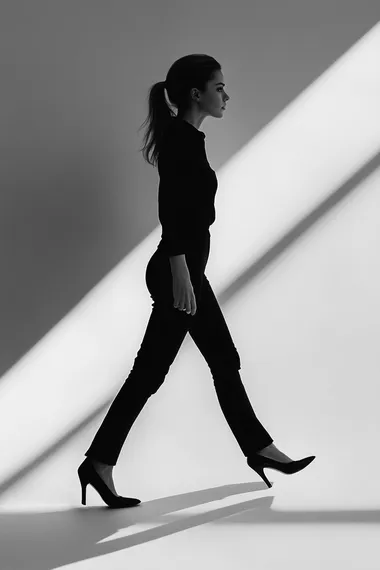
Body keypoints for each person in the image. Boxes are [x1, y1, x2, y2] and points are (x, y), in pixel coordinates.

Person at [77, 54, 315, 508]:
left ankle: (256, 449)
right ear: (196, 93)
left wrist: (185, 269)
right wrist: (181, 271)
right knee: (160, 371)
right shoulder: (181, 141)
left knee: (211, 361)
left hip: (184, 270)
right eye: (219, 87)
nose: (226, 95)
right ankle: (102, 461)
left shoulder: (188, 139)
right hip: (177, 271)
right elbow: (172, 213)